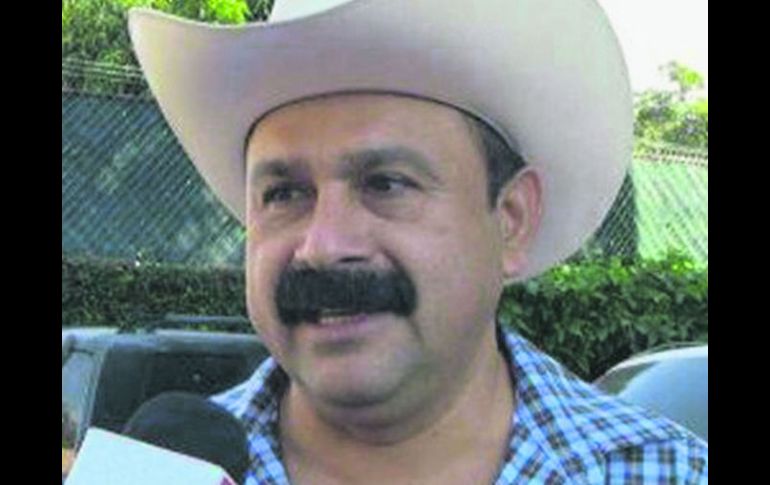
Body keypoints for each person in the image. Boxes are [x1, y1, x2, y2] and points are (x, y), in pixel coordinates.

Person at [128, 0, 708, 483]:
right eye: (284, 194)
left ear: (510, 220)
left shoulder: (660, 472)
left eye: (386, 184)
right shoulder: (161, 474)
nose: (323, 246)